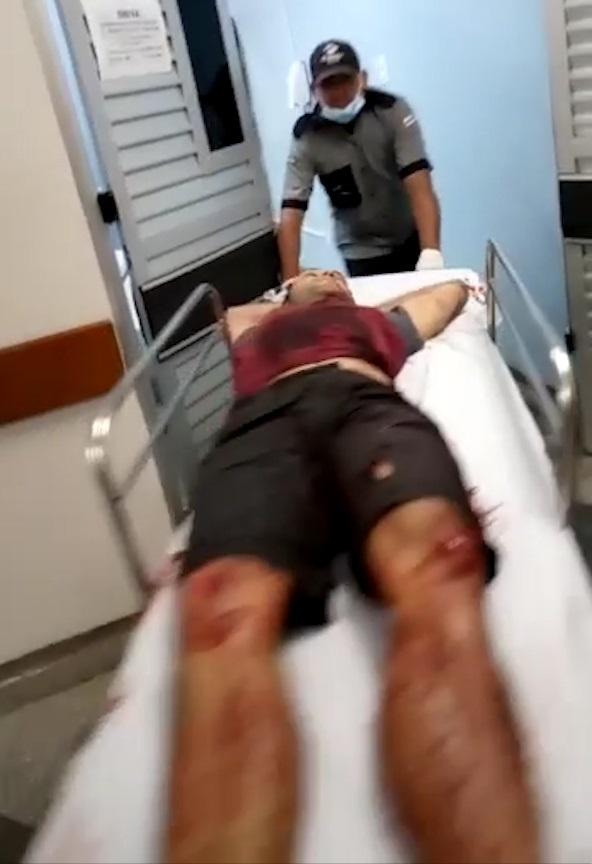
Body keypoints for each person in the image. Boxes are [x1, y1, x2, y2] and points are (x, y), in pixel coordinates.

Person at [166, 271, 539, 864]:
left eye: (333, 275)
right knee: (221, 609)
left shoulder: (377, 323)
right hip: (262, 422)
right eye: (309, 275)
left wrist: (385, 296)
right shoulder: (256, 327)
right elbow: (234, 313)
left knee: (442, 563)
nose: (324, 276)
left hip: (364, 402)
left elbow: (448, 294)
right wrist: (289, 299)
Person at [278, 40, 443, 281]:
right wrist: (290, 283)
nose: (339, 93)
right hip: (360, 250)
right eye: (329, 85)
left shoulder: (392, 111)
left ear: (362, 79)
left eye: (345, 80)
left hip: (409, 234)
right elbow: (291, 212)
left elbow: (420, 184)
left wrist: (431, 253)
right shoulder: (307, 138)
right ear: (314, 91)